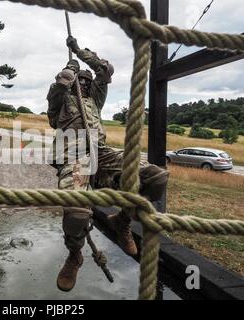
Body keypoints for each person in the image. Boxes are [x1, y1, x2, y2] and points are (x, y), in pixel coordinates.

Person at [47, 36, 169, 292]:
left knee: (155, 177)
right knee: (77, 211)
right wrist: (70, 70)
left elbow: (105, 69)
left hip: (101, 153)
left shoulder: (94, 100)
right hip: (75, 157)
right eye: (80, 81)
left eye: (86, 81)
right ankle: (75, 255)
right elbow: (59, 86)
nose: (83, 83)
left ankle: (121, 221)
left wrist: (80, 52)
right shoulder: (59, 100)